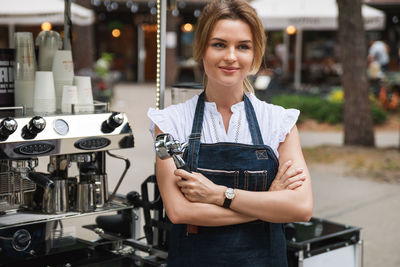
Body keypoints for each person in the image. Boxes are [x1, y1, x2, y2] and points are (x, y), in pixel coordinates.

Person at [147, 0, 313, 266]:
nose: (231, 57)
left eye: (243, 46)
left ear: (255, 54)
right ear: (201, 49)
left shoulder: (279, 121)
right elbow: (178, 211)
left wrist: (218, 195)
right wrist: (270, 203)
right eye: (219, 44)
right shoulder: (169, 122)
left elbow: (301, 208)